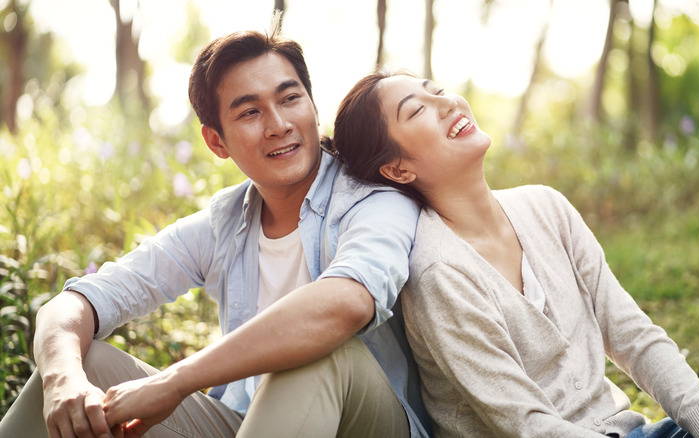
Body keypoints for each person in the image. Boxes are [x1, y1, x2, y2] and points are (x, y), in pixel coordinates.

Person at [0, 19, 433, 438]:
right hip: (248, 424)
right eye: (249, 112)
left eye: (289, 98)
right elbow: (80, 301)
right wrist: (63, 381)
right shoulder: (225, 222)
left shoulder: (374, 200)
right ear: (216, 142)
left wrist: (174, 382)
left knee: (322, 354)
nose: (278, 124)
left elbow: (347, 304)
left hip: (363, 423)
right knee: (79, 360)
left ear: (313, 105)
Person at [326, 70, 699, 438]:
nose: (448, 103)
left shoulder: (545, 206)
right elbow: (527, 426)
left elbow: (634, 336)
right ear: (397, 168)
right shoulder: (437, 271)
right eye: (418, 109)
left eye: (437, 90)